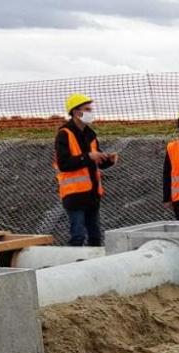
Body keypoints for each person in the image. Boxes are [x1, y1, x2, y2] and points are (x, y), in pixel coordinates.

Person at [53, 93, 119, 246]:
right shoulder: (64, 134)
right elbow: (63, 164)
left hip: (92, 195)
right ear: (76, 112)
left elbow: (97, 161)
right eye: (87, 109)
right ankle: (72, 267)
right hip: (74, 195)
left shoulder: (90, 134)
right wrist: (88, 156)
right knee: (78, 236)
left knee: (95, 237)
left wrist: (108, 160)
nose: (91, 112)